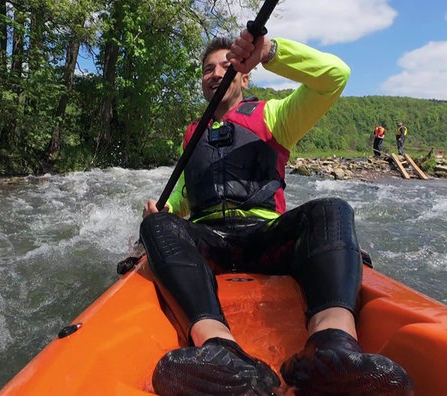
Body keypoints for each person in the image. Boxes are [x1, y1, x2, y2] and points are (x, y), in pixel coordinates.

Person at [139, 30, 413, 395]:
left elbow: (335, 76)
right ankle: (219, 348)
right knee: (155, 224)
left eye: (226, 65)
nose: (216, 74)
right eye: (208, 69)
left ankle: (334, 343)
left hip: (265, 238)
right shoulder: (192, 134)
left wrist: (270, 51)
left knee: (332, 208)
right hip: (211, 245)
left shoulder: (275, 115)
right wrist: (165, 209)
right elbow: (184, 196)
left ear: (245, 74)